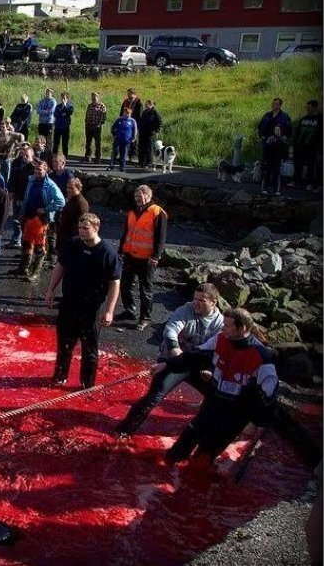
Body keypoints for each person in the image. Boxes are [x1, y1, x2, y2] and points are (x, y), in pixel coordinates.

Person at [164, 308, 278, 474]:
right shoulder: (220, 339)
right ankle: (170, 464)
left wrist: (255, 422)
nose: (222, 328)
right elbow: (195, 356)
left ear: (242, 329)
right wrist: (167, 364)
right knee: (188, 437)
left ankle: (192, 484)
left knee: (204, 455)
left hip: (237, 412)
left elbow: (268, 396)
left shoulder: (262, 358)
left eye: (227, 325)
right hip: (214, 400)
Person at [115, 283, 225, 437]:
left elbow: (217, 350)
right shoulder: (184, 310)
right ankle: (123, 430)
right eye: (195, 299)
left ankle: (202, 430)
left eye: (202, 301)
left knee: (217, 397)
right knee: (154, 397)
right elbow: (171, 330)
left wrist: (210, 369)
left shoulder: (220, 323)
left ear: (214, 303)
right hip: (173, 360)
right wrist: (176, 351)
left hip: (198, 365)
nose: (196, 303)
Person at [45, 212, 122, 388]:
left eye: (86, 228)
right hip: (68, 302)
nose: (82, 231)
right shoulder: (72, 244)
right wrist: (50, 290)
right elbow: (60, 267)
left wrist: (110, 311)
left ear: (96, 228)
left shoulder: (107, 252)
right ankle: (60, 376)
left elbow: (114, 283)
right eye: (80, 228)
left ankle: (86, 384)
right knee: (64, 344)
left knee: (90, 349)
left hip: (91, 307)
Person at [116, 185, 167, 331]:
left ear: (149, 196)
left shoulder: (157, 212)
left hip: (147, 258)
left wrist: (156, 256)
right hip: (130, 254)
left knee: (145, 289)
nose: (139, 198)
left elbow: (160, 237)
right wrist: (121, 249)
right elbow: (126, 232)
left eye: (142, 195)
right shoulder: (132, 211)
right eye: (137, 195)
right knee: (126, 285)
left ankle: (145, 318)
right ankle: (130, 310)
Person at [8, 158, 65, 282]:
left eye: (40, 169)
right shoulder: (32, 180)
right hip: (28, 217)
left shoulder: (50, 185)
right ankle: (24, 268)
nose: (37, 171)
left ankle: (36, 273)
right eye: (36, 169)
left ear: (45, 170)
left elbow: (61, 201)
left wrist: (46, 209)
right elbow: (27, 197)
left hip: (41, 219)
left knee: (40, 245)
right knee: (26, 243)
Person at [5, 143, 37, 248]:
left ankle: (25, 243)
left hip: (28, 199)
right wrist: (11, 191)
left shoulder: (34, 168)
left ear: (32, 156)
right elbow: (12, 178)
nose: (25, 157)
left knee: (26, 221)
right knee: (16, 219)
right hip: (18, 195)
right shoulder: (17, 163)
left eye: (27, 155)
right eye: (23, 154)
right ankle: (16, 239)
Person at [46, 153, 74, 261]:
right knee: (51, 230)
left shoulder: (68, 175)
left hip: (63, 207)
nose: (53, 164)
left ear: (63, 163)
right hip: (53, 206)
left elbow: (71, 192)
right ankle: (51, 253)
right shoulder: (52, 175)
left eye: (56, 162)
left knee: (61, 231)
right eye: (53, 162)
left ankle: (61, 255)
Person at [291, 100, 322, 190]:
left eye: (309, 107)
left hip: (313, 147)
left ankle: (310, 183)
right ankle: (297, 181)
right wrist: (295, 143)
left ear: (314, 108)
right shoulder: (304, 119)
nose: (307, 109)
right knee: (298, 164)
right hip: (300, 146)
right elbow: (297, 131)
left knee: (311, 165)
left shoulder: (320, 119)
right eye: (307, 107)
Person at [55, 177, 90, 255]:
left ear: (78, 188)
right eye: (67, 187)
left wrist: (72, 240)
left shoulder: (81, 204)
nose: (68, 190)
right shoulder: (72, 199)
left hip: (71, 238)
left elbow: (81, 224)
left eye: (71, 188)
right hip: (64, 235)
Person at [0, 118, 23, 187]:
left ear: (7, 127)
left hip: (7, 157)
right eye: (1, 126)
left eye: (4, 126)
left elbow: (21, 136)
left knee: (7, 173)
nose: (2, 127)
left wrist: (18, 145)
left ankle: (6, 187)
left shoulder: (11, 134)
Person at [259, 124, 289, 195]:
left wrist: (284, 158)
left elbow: (285, 150)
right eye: (276, 130)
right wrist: (264, 158)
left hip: (278, 159)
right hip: (269, 159)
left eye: (278, 130)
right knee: (267, 173)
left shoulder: (283, 139)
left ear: (281, 130)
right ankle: (264, 188)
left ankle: (277, 190)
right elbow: (265, 148)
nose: (277, 131)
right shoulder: (271, 138)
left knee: (276, 174)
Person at [110, 106, 138, 172]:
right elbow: (113, 127)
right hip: (118, 139)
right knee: (115, 152)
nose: (127, 114)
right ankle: (111, 165)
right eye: (126, 113)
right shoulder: (119, 119)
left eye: (129, 113)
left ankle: (122, 166)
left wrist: (133, 138)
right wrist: (114, 135)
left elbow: (135, 130)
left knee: (124, 154)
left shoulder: (132, 121)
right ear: (124, 113)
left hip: (126, 140)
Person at [83, 91, 107, 165]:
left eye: (95, 96)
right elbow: (87, 114)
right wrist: (86, 122)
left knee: (97, 143)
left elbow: (104, 117)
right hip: (88, 125)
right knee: (88, 142)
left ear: (98, 97)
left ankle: (97, 158)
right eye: (92, 96)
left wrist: (100, 124)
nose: (93, 98)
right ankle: (87, 157)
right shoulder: (89, 105)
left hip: (96, 126)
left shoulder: (102, 106)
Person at [137, 100, 162, 169]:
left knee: (149, 149)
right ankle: (141, 163)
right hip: (142, 132)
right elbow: (141, 121)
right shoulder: (145, 112)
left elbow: (159, 123)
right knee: (141, 148)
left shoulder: (155, 113)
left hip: (150, 134)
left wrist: (155, 131)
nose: (145, 106)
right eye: (145, 104)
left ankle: (149, 163)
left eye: (147, 104)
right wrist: (139, 128)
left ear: (151, 105)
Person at [120, 88, 142, 162]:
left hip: (133, 123)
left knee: (134, 141)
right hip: (125, 123)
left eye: (130, 94)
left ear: (134, 94)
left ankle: (133, 157)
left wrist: (137, 125)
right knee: (125, 140)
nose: (128, 95)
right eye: (128, 94)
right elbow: (121, 112)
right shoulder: (125, 101)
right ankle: (124, 155)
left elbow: (139, 115)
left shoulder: (138, 102)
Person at [52, 92, 73, 157]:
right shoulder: (58, 106)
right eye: (62, 98)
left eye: (64, 98)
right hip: (58, 126)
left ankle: (65, 157)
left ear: (67, 99)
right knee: (56, 143)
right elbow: (55, 114)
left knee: (65, 143)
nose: (62, 99)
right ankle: (54, 156)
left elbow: (69, 112)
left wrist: (65, 106)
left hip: (65, 127)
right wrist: (63, 113)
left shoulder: (70, 106)